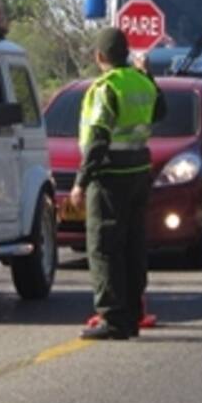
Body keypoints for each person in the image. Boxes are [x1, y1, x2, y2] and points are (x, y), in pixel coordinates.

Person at [70, 27, 166, 340]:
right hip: (139, 173)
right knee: (133, 246)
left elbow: (98, 138)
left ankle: (113, 318)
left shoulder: (105, 88)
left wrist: (81, 183)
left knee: (104, 249)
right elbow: (161, 111)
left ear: (99, 56)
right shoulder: (142, 82)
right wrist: (149, 76)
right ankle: (134, 313)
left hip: (110, 178)